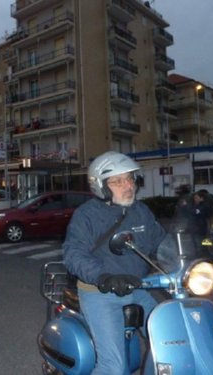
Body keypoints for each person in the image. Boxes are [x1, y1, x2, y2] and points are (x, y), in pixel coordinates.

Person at [63, 151, 166, 375]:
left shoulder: (141, 211)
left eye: (130, 178)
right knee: (113, 367)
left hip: (137, 289)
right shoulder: (86, 215)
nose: (127, 185)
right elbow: (73, 254)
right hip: (100, 293)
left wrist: (195, 257)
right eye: (117, 181)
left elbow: (162, 243)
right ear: (100, 186)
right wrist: (104, 277)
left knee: (171, 340)